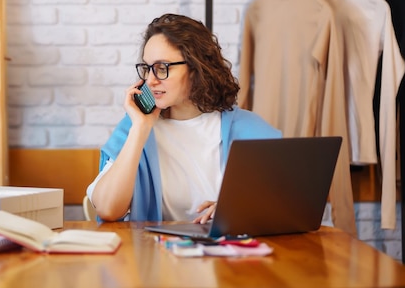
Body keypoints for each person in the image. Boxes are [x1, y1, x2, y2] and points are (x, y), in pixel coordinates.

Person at [86, 13, 281, 223]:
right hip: (156, 253)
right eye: (147, 68)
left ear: (196, 68)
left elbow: (283, 201)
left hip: (226, 252)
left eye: (162, 68)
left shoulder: (250, 129)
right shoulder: (134, 127)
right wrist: (140, 129)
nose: (150, 80)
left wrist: (238, 208)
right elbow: (107, 209)